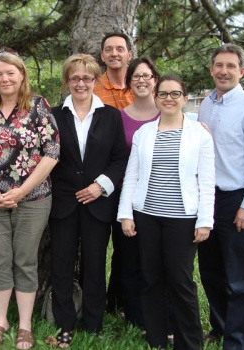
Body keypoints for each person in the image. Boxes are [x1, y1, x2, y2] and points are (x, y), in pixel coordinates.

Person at [118, 74, 215, 350]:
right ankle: (156, 339)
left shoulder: (200, 135)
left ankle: (190, 342)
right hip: (147, 216)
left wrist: (205, 220)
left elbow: (207, 181)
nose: (169, 99)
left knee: (181, 280)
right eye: (163, 94)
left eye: (175, 94)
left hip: (183, 220)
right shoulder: (144, 133)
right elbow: (132, 175)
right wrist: (126, 213)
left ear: (185, 98)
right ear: (156, 98)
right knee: (151, 279)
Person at [0, 50, 60, 349]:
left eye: (10, 72)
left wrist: (22, 191)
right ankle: (1, 320)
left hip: (33, 198)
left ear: (22, 74)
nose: (4, 78)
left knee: (25, 260)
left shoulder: (38, 106)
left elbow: (52, 153)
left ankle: (25, 325)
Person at [49, 53, 128, 347]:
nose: (81, 83)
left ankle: (94, 324)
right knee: (61, 265)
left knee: (95, 265)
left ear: (95, 80)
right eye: (75, 78)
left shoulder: (111, 115)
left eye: (87, 78)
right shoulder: (54, 115)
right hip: (63, 202)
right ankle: (65, 323)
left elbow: (120, 157)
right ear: (67, 81)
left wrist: (101, 186)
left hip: (98, 202)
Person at [197, 44, 244, 350]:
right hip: (208, 199)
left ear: (241, 71)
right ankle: (220, 328)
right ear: (211, 69)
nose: (223, 71)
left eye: (231, 66)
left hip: (237, 199)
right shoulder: (206, 103)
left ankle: (239, 340)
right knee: (211, 270)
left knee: (240, 278)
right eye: (218, 65)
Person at [118, 57, 161, 327]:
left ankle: (157, 312)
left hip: (160, 199)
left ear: (155, 80)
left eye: (147, 75)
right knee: (129, 258)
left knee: (156, 261)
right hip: (126, 198)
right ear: (129, 82)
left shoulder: (169, 113)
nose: (142, 80)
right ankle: (134, 315)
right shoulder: (118, 117)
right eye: (136, 76)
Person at [93, 32, 134, 315]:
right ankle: (95, 302)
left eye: (120, 48)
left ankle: (120, 300)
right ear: (102, 56)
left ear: (130, 54)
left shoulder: (142, 87)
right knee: (96, 246)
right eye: (109, 49)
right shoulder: (93, 90)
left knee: (127, 246)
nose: (115, 53)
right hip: (102, 180)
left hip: (136, 181)